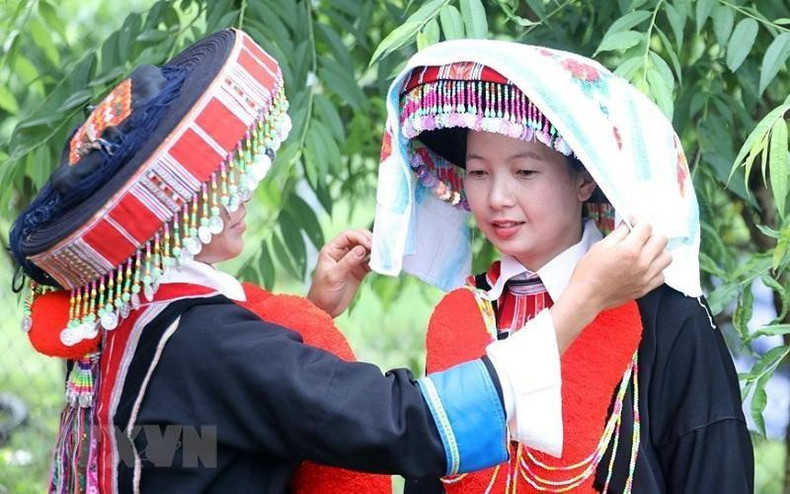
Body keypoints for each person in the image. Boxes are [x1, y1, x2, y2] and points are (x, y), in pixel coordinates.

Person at [11, 30, 666, 494]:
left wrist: (312, 318)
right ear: (176, 214)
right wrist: (580, 300)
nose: (242, 192)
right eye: (220, 182)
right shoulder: (208, 344)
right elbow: (408, 425)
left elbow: (185, 442)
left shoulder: (128, 328)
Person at [369, 40, 754, 493]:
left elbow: (714, 473)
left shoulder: (668, 315)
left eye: (525, 172)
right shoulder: (465, 314)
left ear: (585, 179)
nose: (497, 198)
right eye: (478, 172)